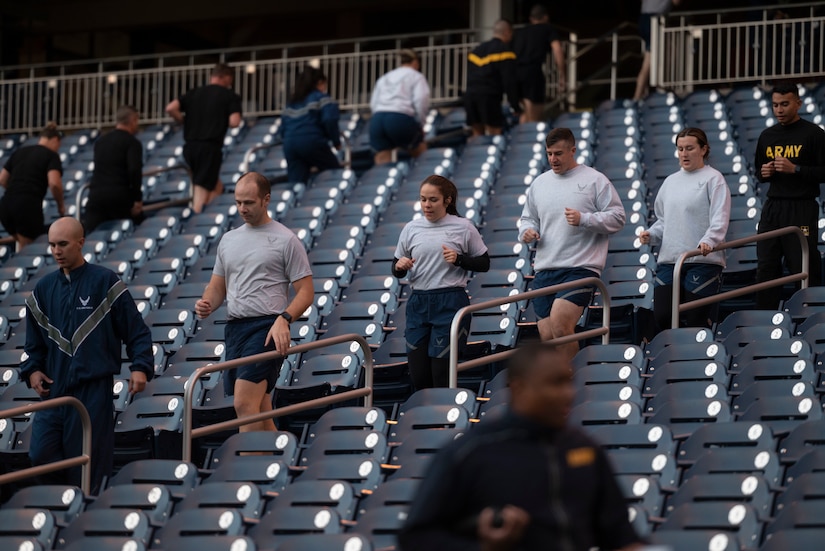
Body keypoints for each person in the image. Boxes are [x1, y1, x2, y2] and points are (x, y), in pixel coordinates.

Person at [398, 342, 643, 551]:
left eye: (569, 382)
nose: (568, 394)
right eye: (554, 383)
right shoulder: (470, 453)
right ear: (519, 388)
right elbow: (416, 538)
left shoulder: (585, 449)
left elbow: (621, 537)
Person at [20, 217, 153, 494]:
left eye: (63, 244)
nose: (56, 251)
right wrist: (33, 370)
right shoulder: (43, 290)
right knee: (39, 456)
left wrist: (140, 367)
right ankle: (61, 507)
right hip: (54, 393)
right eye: (52, 245)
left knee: (89, 467)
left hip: (94, 391)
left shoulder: (104, 281)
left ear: (81, 243)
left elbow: (136, 331)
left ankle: (82, 514)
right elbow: (34, 345)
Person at [195, 171, 313, 432]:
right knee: (260, 408)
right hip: (235, 329)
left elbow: (306, 291)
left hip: (266, 328)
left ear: (266, 200)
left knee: (244, 404)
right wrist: (206, 303)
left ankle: (246, 471)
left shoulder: (285, 239)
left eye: (248, 202)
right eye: (238, 202)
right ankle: (277, 460)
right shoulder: (229, 239)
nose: (242, 208)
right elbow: (217, 287)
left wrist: (284, 319)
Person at [518, 127, 625, 363]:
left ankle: (572, 383)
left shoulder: (594, 179)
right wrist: (526, 231)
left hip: (580, 266)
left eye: (558, 153)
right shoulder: (540, 183)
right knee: (547, 335)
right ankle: (560, 386)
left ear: (572, 151)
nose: (553, 159)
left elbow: (618, 217)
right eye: (549, 154)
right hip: (546, 268)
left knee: (560, 324)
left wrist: (584, 219)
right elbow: (528, 218)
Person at [392, 175, 490, 389]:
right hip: (418, 302)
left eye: (433, 200)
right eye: (423, 199)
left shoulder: (463, 226)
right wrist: (400, 266)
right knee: (419, 376)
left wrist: (459, 259)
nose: (427, 205)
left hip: (450, 301)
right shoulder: (411, 228)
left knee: (441, 375)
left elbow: (484, 263)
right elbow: (396, 267)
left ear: (447, 200)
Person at [639, 127, 731, 332]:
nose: (684, 154)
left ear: (704, 149)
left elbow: (720, 218)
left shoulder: (713, 179)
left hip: (702, 259)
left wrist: (710, 240)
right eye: (680, 149)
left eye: (689, 148)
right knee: (663, 316)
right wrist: (651, 234)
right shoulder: (670, 181)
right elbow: (664, 220)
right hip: (670, 260)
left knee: (696, 318)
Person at [754, 83, 825, 309]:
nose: (779, 110)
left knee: (803, 266)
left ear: (798, 103)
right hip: (773, 207)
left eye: (785, 104)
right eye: (775, 105)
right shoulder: (767, 136)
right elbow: (759, 171)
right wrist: (764, 173)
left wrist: (796, 169)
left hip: (802, 207)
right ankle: (764, 320)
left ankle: (810, 317)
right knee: (766, 267)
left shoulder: (814, 134)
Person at [165, 63, 242, 213]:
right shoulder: (229, 95)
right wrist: (217, 120)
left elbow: (171, 108)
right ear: (226, 77)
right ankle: (196, 217)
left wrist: (182, 120)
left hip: (189, 147)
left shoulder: (194, 93)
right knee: (201, 187)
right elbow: (235, 122)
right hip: (209, 147)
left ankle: (210, 212)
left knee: (214, 185)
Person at [0, 122, 65, 250]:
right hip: (27, 205)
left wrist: (16, 192)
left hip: (6, 205)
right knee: (28, 248)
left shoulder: (20, 151)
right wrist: (61, 206)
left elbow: (2, 179)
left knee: (22, 240)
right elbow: (54, 184)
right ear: (55, 140)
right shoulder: (51, 155)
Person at [82, 105, 144, 233]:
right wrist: (137, 199)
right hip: (119, 196)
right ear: (133, 120)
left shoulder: (101, 142)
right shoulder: (132, 142)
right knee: (134, 230)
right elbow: (134, 170)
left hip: (96, 196)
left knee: (91, 235)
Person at [281, 66, 341, 183]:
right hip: (312, 141)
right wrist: (336, 141)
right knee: (334, 175)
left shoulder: (291, 103)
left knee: (296, 183)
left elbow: (282, 128)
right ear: (320, 83)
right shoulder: (322, 98)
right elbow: (329, 120)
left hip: (290, 144)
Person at [369, 49, 431, 165]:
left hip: (378, 118)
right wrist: (421, 123)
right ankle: (423, 179)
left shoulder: (385, 77)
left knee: (382, 159)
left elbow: (373, 102)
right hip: (399, 116)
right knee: (420, 151)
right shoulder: (416, 76)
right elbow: (421, 100)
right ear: (415, 62)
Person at [465, 19, 521, 137]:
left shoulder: (477, 51)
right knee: (494, 133)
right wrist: (515, 105)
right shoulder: (505, 52)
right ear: (507, 32)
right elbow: (509, 81)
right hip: (489, 97)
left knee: (477, 135)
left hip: (471, 96)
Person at [512, 4, 566, 123]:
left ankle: (521, 139)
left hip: (515, 73)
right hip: (532, 72)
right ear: (546, 17)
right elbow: (557, 49)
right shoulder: (547, 28)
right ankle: (531, 139)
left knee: (526, 114)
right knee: (535, 118)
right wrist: (562, 75)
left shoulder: (519, 32)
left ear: (532, 19)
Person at [633, 0, 681, 101]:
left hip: (644, 18)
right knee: (653, 60)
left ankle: (644, 93)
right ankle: (640, 96)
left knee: (653, 57)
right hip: (654, 20)